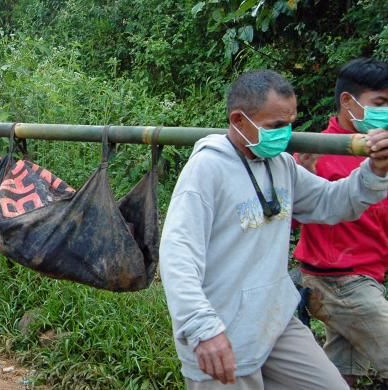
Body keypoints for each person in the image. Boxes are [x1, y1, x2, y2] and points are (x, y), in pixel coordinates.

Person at [159, 69, 388, 389]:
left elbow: (332, 202)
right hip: (220, 329)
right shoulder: (207, 169)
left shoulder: (281, 166)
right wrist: (202, 328)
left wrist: (374, 172)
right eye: (276, 126)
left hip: (274, 323)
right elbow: (177, 253)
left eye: (290, 123)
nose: (286, 134)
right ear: (238, 121)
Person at [293, 57, 388, 388]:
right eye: (381, 103)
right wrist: (303, 174)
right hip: (338, 281)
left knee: (340, 376)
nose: (387, 111)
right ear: (348, 102)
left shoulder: (379, 154)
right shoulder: (314, 153)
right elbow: (284, 220)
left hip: (366, 276)